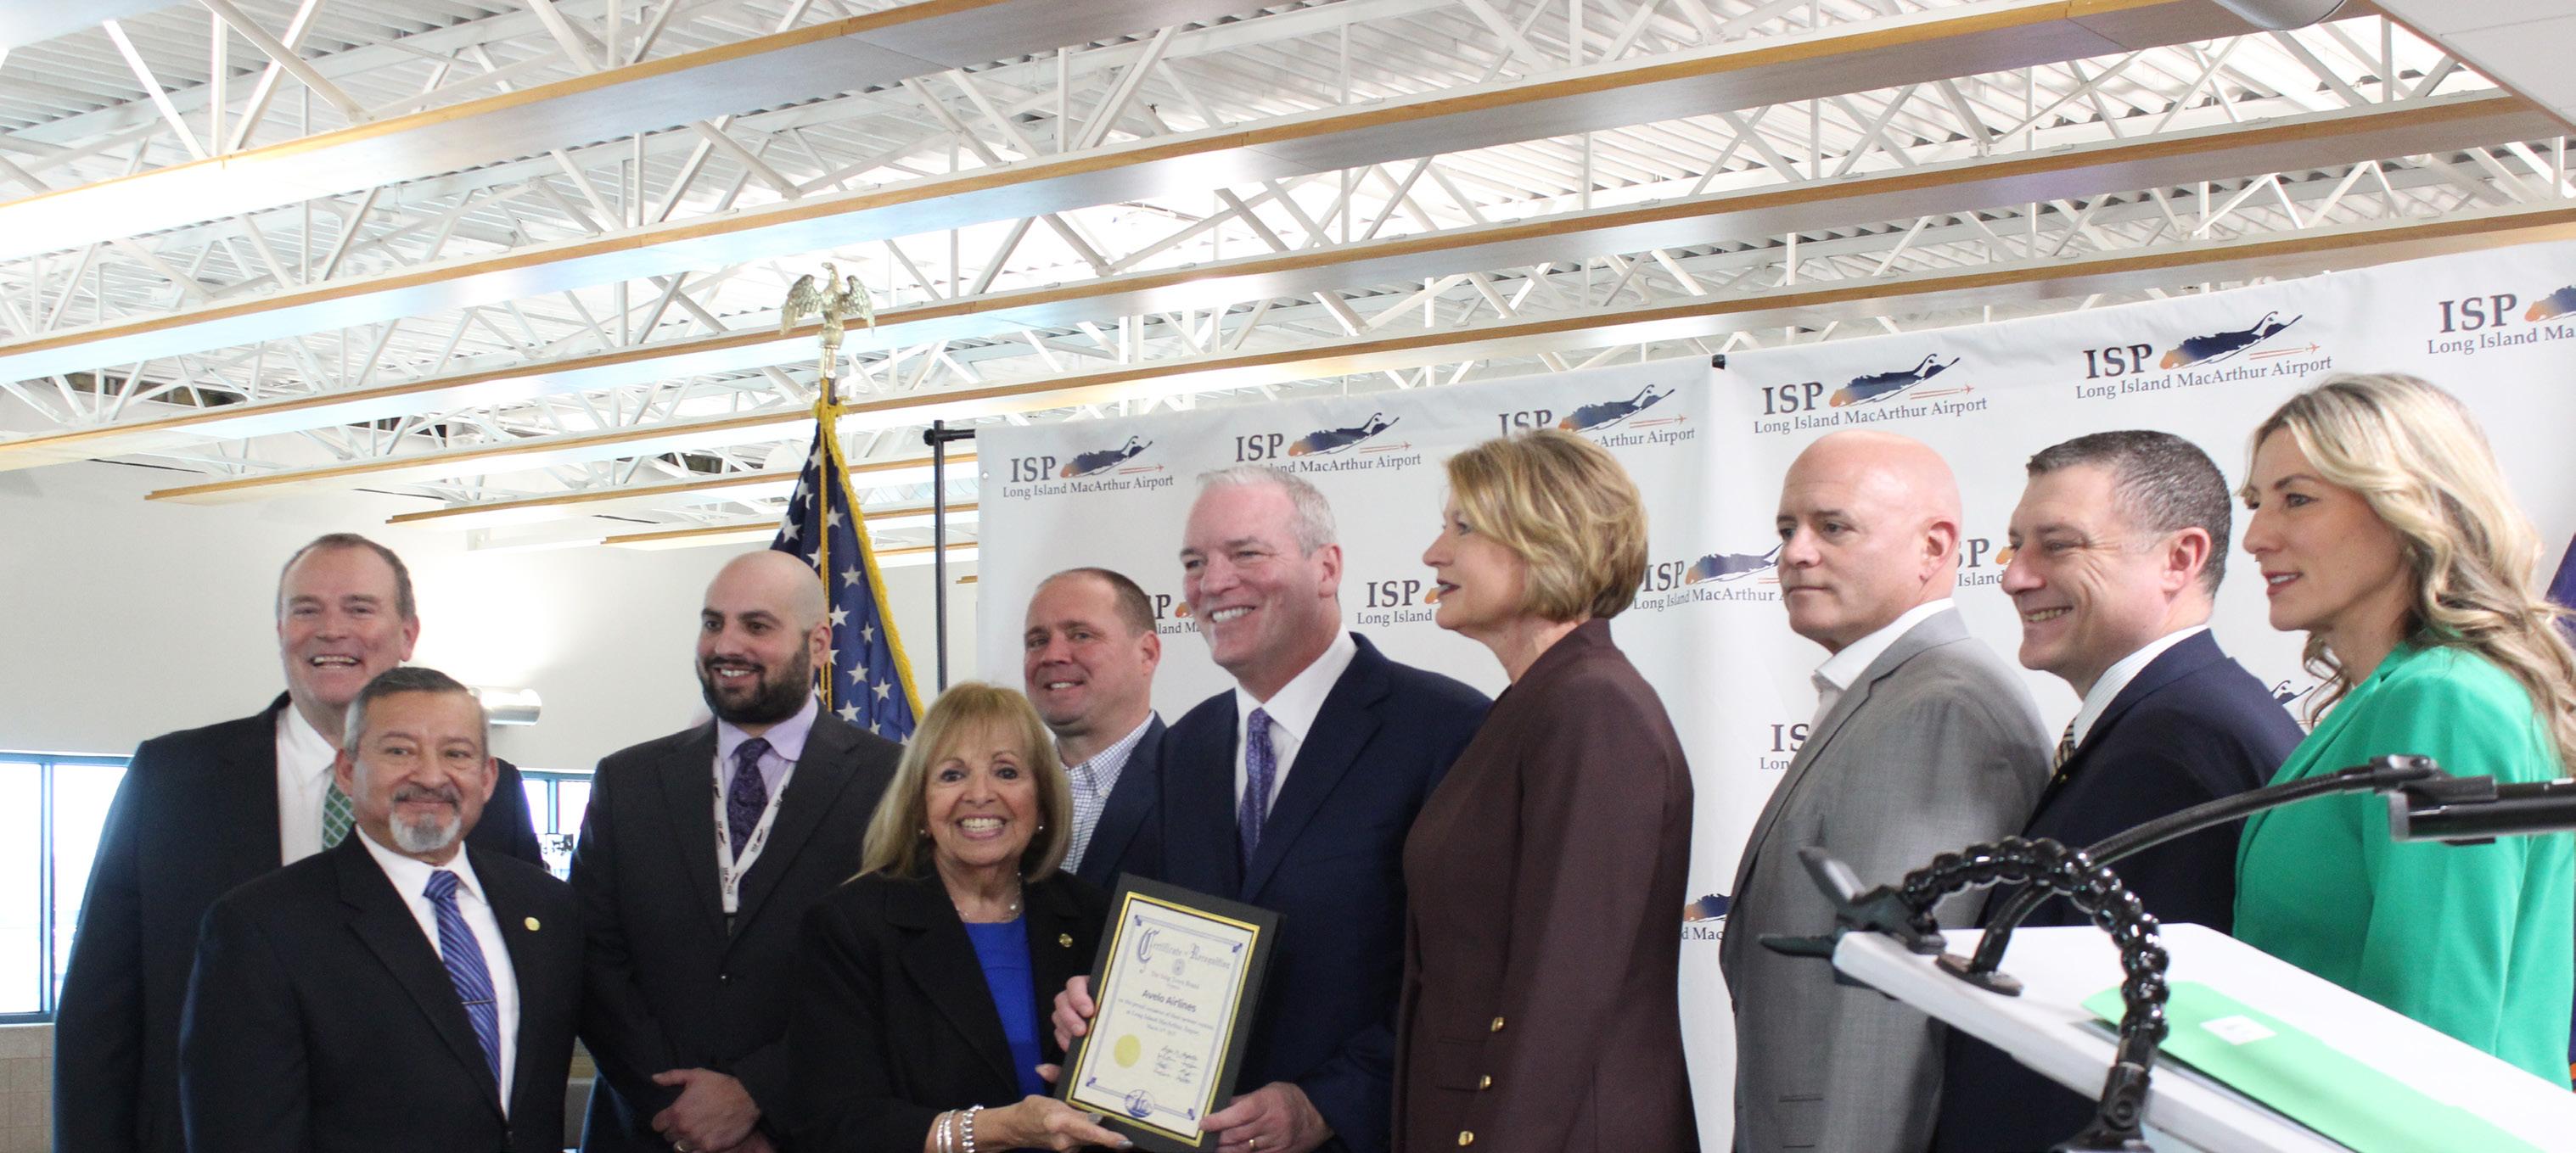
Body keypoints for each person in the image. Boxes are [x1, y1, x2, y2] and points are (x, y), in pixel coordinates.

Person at [56, 533, 546, 1153]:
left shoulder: (481, 795)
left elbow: (531, 988)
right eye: (307, 609)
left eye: (359, 608)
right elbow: (100, 1009)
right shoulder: (174, 780)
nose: (331, 630)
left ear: (407, 634)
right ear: (281, 630)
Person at [1057, 466, 1489, 1153]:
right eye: (1194, 562)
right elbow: (1160, 934)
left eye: (1246, 553)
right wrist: (1097, 1002)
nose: (1213, 582)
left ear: (1327, 567)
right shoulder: (1184, 748)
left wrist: (1328, 1102)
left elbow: (1473, 973)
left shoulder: (1446, 730)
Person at [1931, 431, 2301, 1151]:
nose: (2013, 577)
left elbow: (2152, 1039)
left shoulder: (2186, 741)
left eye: (2058, 546)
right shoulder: (2161, 723)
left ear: (2179, 559)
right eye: (2014, 546)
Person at [2234, 372, 2576, 1083]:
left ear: (2409, 507)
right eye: (2255, 502)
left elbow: (2434, 1030)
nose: (2257, 537)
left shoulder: (2443, 701)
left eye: (2297, 499)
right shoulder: (2407, 693)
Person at [1722, 430, 2051, 1153]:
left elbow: (1887, 1004)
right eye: (1786, 528)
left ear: (1933, 548)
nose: (1795, 553)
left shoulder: (1940, 708)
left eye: (1832, 527)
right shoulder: (1898, 692)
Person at [1395, 429, 1696, 1153]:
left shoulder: (1591, 706)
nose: (1433, 553)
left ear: (1543, 538)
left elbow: (1564, 988)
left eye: (1463, 526)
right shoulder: (1540, 702)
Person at [575, 549, 903, 1153]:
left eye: (756, 625)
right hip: (646, 1129)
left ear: (819, 643)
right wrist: (678, 1109)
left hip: (809, 1131)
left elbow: (894, 973)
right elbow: (595, 960)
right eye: (712, 622)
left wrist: (758, 1096)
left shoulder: (894, 782)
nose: (726, 645)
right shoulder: (627, 781)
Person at [177, 667, 581, 1152]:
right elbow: (242, 1133)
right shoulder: (261, 925)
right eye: (399, 751)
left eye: (456, 753)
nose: (430, 776)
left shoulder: (546, 907)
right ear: (348, 771)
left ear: (488, 777)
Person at [788, 683, 1132, 1152]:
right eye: (952, 775)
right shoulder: (849, 927)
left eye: (1006, 772)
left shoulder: (1097, 917)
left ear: (1042, 800)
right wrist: (1001, 1128)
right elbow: (836, 1124)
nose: (980, 795)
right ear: (920, 806)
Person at [1022, 567, 1164, 886]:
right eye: (1037, 641)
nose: (1052, 655)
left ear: (1147, 654)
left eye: (1081, 635)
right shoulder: (1004, 791)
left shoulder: (1202, 788)